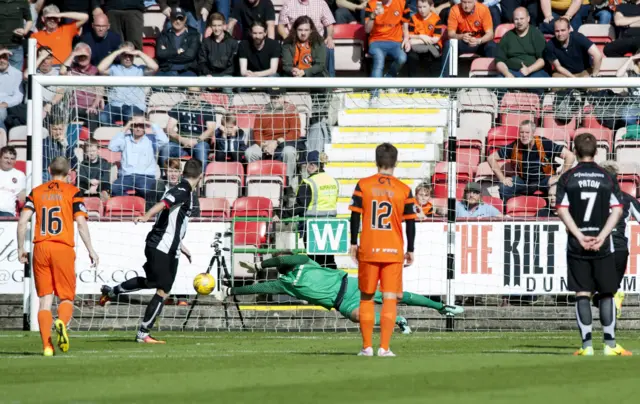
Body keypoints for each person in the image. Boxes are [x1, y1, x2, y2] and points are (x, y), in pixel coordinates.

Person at [213, 254, 464, 333]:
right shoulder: (284, 284)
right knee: (359, 318)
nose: (283, 263)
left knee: (395, 294)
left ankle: (441, 307)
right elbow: (257, 287)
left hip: (352, 283)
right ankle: (398, 321)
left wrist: (260, 265)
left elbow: (288, 256)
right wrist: (230, 290)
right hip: (341, 301)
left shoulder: (303, 261)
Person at [98, 159, 203, 344]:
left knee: (153, 282)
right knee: (163, 289)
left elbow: (171, 221)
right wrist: (146, 215)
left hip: (170, 246)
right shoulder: (182, 190)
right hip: (161, 245)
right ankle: (143, 333)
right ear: (200, 177)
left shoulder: (186, 191)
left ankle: (112, 292)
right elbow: (163, 204)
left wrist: (182, 246)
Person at [555, 133, 631, 356]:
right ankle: (610, 344)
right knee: (607, 293)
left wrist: (579, 235)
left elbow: (561, 208)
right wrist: (602, 236)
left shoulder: (567, 177)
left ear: (575, 151)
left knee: (582, 293)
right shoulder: (606, 177)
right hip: (603, 244)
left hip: (577, 245)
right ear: (596, 151)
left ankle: (586, 346)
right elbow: (617, 209)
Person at [16, 157, 99, 356]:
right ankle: (61, 321)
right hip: (62, 247)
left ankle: (47, 346)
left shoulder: (37, 191)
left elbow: (22, 221)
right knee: (66, 296)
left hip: (41, 247)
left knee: (45, 299)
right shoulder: (73, 191)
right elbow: (80, 223)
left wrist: (21, 248)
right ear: (70, 172)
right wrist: (91, 250)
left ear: (48, 170)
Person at [349, 143, 417, 357]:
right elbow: (411, 223)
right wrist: (411, 249)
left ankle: (367, 347)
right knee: (389, 298)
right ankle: (384, 348)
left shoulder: (364, 185)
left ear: (376, 161)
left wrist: (353, 243)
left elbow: (355, 215)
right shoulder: (404, 189)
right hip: (393, 250)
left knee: (367, 297)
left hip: (369, 248)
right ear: (396, 162)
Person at [277, 151, 339, 268]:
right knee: (329, 259)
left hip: (313, 226)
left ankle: (317, 284)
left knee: (315, 260)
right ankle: (334, 283)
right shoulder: (333, 181)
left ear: (312, 165)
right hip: (331, 224)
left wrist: (282, 214)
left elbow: (301, 206)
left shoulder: (308, 182)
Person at [487, 120, 575, 201]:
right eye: (521, 132)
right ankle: (508, 213)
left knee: (558, 187)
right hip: (523, 181)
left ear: (533, 133)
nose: (524, 135)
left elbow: (570, 156)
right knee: (504, 188)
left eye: (527, 132)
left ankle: (552, 213)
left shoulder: (545, 143)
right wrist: (502, 178)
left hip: (544, 180)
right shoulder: (515, 146)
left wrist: (561, 176)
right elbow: (491, 158)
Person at [599, 161, 640, 319]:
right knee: (607, 292)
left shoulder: (591, 198)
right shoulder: (627, 199)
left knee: (596, 290)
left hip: (600, 249)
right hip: (620, 250)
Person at [108, 114, 169, 202]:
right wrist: (127, 126)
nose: (138, 128)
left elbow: (165, 141)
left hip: (145, 177)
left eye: (141, 125)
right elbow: (112, 147)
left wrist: (151, 123)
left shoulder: (151, 140)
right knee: (114, 189)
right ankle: (132, 203)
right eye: (135, 125)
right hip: (127, 177)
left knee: (146, 190)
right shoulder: (125, 139)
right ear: (131, 126)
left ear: (145, 126)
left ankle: (139, 204)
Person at [97, 42, 159, 125]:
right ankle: (117, 135)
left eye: (130, 55)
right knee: (103, 117)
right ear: (120, 56)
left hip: (134, 105)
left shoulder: (140, 69)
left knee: (131, 115)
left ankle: (125, 135)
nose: (127, 58)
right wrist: (117, 52)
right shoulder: (114, 68)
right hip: (115, 105)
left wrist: (139, 53)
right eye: (124, 55)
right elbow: (100, 68)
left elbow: (155, 67)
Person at [160, 88, 215, 171]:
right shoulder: (179, 106)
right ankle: (164, 177)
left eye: (196, 94)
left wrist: (197, 140)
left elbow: (211, 130)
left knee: (201, 149)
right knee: (166, 148)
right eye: (191, 94)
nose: (193, 97)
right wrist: (182, 139)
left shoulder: (207, 107)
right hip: (180, 143)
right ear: (186, 94)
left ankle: (201, 180)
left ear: (200, 95)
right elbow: (169, 128)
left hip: (200, 142)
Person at [278, 0, 336, 77]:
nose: (303, 32)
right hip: (294, 39)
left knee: (329, 49)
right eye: (301, 30)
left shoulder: (321, 3)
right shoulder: (288, 3)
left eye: (305, 30)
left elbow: (329, 24)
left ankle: (331, 82)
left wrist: (329, 37)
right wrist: (288, 39)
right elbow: (281, 26)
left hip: (316, 41)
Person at [441, 0, 497, 76]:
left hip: (480, 42)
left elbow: (490, 34)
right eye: (464, 2)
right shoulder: (454, 9)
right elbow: (450, 34)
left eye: (469, 2)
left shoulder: (483, 9)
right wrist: (461, 36)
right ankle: (446, 81)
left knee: (492, 46)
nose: (466, 5)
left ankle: (495, 80)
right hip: (463, 42)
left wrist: (479, 40)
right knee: (449, 44)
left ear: (475, 1)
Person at [59, 43, 103, 133]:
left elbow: (100, 92)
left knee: (92, 114)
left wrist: (93, 106)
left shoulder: (95, 71)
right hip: (73, 107)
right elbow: (62, 71)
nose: (82, 58)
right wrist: (73, 54)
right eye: (79, 56)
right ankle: (63, 140)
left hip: (90, 107)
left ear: (90, 56)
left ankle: (92, 141)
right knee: (64, 115)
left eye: (84, 55)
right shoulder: (72, 70)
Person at [495, 7, 548, 79]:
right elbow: (499, 61)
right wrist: (507, 74)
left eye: (522, 18)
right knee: (498, 83)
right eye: (516, 19)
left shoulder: (536, 34)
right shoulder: (507, 36)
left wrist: (529, 70)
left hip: (533, 71)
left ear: (528, 19)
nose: (519, 22)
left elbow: (542, 59)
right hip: (511, 71)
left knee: (536, 84)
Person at [365, 0, 411, 80]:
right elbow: (367, 30)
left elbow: (405, 27)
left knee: (402, 58)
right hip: (376, 41)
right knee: (379, 60)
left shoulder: (402, 3)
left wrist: (406, 39)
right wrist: (373, 16)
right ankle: (375, 91)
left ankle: (388, 79)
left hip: (395, 41)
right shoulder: (371, 4)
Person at [155, 7, 201, 77]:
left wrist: (168, 55)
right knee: (156, 85)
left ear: (185, 19)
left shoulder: (194, 35)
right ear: (170, 18)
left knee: (194, 87)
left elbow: (190, 56)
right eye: (175, 18)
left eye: (180, 18)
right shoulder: (163, 36)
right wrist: (177, 52)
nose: (178, 21)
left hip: (187, 71)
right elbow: (160, 54)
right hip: (167, 71)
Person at [407, 0, 444, 78]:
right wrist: (422, 37)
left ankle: (434, 85)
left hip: (433, 45)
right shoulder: (413, 18)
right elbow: (410, 36)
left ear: (431, 6)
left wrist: (416, 40)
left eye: (424, 7)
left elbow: (435, 39)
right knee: (411, 56)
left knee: (434, 55)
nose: (422, 10)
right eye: (419, 7)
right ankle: (412, 84)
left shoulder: (436, 19)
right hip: (418, 45)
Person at [197, 12, 238, 78]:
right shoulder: (206, 42)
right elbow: (202, 62)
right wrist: (208, 74)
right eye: (214, 25)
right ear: (210, 26)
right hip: (209, 75)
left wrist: (219, 78)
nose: (216, 29)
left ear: (224, 25)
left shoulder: (233, 43)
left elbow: (233, 66)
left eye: (219, 25)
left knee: (228, 82)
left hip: (226, 76)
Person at [0, 0, 32, 71]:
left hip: (16, 45)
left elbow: (29, 20)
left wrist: (25, 31)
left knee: (16, 75)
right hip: (0, 45)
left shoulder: (22, 1)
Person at [0, 48, 25, 140]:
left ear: (8, 58)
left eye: (3, 57)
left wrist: (5, 103)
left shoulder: (17, 74)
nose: (1, 60)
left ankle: (3, 140)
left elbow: (18, 96)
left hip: (7, 106)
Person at [0, 146, 26, 217]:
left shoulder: (20, 175)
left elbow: (22, 196)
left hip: (7, 212)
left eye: (12, 159)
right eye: (6, 158)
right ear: (0, 158)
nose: (9, 161)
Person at [615, 52, 640, 126]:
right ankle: (635, 130)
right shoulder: (631, 74)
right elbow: (618, 75)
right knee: (626, 116)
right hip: (633, 105)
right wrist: (631, 58)